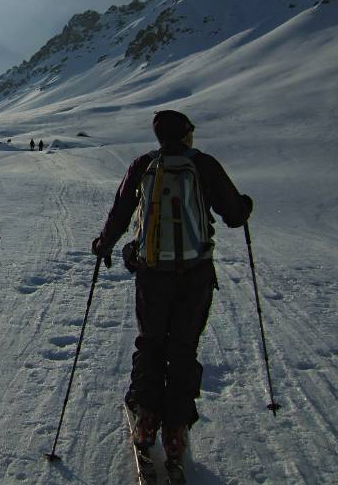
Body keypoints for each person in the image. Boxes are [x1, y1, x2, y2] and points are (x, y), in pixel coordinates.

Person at [91, 110, 252, 469]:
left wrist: (104, 244)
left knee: (151, 342)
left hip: (152, 274)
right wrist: (245, 206)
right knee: (183, 347)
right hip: (195, 275)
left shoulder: (144, 165)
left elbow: (120, 211)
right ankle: (176, 429)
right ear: (185, 134)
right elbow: (234, 215)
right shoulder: (203, 164)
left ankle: (146, 419)